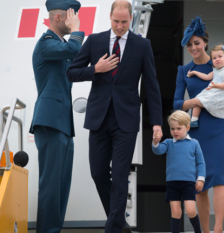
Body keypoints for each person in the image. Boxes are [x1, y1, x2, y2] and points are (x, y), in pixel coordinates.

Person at [67, 0, 163, 232]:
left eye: (124, 22)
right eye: (116, 21)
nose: (120, 26)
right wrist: (95, 69)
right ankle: (120, 223)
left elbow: (151, 85)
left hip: (126, 120)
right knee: (98, 173)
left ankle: (112, 228)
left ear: (131, 19)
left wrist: (158, 122)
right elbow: (71, 72)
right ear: (109, 17)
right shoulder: (95, 41)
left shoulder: (142, 45)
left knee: (120, 176)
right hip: (99, 118)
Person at [28, 0, 84, 232]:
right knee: (51, 185)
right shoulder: (46, 44)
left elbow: (75, 66)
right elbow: (73, 49)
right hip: (50, 122)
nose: (74, 20)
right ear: (59, 18)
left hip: (62, 124)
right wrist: (77, 29)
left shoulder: (60, 47)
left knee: (61, 186)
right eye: (71, 16)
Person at [173, 16, 224, 233]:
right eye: (189, 45)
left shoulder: (219, 63)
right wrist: (196, 101)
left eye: (196, 43)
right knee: (200, 184)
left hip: (218, 127)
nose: (193, 48)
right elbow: (178, 104)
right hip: (195, 131)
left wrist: (207, 100)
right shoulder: (183, 70)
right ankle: (204, 231)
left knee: (219, 179)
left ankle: (218, 229)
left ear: (205, 42)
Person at [152, 110, 205, 233]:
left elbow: (200, 163)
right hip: (172, 183)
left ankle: (198, 231)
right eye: (172, 128)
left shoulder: (194, 143)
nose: (175, 131)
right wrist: (155, 143)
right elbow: (158, 150)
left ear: (187, 127)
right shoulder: (168, 143)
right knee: (175, 212)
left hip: (189, 183)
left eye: (178, 128)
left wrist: (201, 179)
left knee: (191, 211)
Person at [187, 45, 224, 148]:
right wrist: (194, 73)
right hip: (218, 92)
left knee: (199, 100)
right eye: (214, 58)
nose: (217, 59)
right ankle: (195, 120)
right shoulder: (215, 70)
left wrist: (215, 85)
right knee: (200, 99)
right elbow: (206, 77)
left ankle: (194, 120)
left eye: (220, 56)